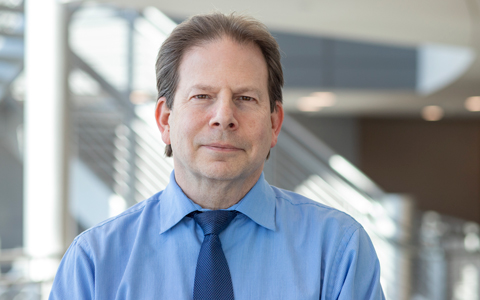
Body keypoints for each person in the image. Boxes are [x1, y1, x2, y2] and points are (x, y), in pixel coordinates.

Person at [50, 12, 385, 299]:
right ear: (165, 120)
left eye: (245, 98)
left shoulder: (340, 250)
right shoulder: (93, 261)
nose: (224, 116)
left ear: (274, 123)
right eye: (202, 96)